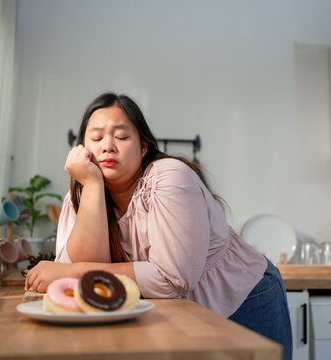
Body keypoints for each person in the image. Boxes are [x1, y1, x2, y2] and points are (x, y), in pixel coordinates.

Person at [25, 92, 292, 359]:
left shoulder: (169, 177)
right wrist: (93, 185)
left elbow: (173, 280)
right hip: (180, 312)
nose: (107, 146)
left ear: (144, 147)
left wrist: (72, 273)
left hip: (244, 299)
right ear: (81, 150)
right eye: (96, 138)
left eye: (121, 136)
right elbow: (96, 284)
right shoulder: (81, 196)